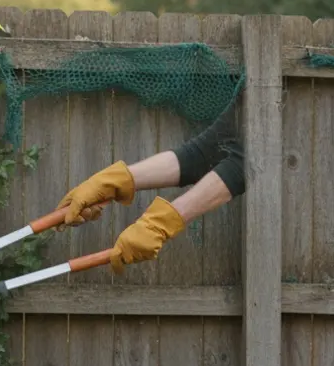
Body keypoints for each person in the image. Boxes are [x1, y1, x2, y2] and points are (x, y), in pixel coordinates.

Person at [55, 108, 245, 271]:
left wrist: (160, 224)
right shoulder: (257, 80)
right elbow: (204, 154)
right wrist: (113, 181)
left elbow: (249, 162)